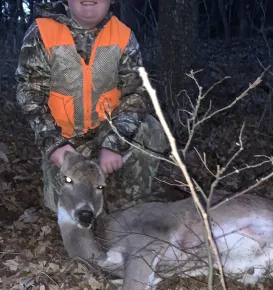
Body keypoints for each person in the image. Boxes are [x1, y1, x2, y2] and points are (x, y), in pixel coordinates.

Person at [15, 0, 168, 212]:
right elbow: (29, 94)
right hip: (65, 138)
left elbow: (135, 92)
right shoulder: (43, 32)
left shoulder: (123, 35)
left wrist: (114, 143)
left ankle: (129, 206)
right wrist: (56, 146)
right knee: (59, 207)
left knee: (151, 130)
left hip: (108, 129)